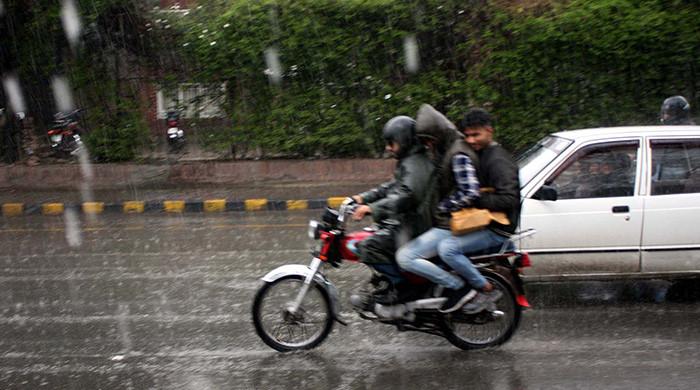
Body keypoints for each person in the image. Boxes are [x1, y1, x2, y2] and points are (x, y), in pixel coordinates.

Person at [396, 104, 494, 313]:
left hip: (451, 223)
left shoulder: (457, 154)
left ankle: (459, 288)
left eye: (429, 139)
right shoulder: (448, 149)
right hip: (446, 222)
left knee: (406, 257)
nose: (428, 145)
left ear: (438, 134)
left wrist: (443, 207)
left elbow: (470, 191)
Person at [350, 115, 434, 299]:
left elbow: (407, 195)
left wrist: (372, 209)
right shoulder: (409, 161)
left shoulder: (415, 164)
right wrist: (362, 198)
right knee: (371, 238)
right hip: (410, 221)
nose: (388, 148)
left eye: (392, 143)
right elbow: (390, 187)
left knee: (368, 247)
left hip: (416, 226)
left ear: (404, 141)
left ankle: (403, 287)